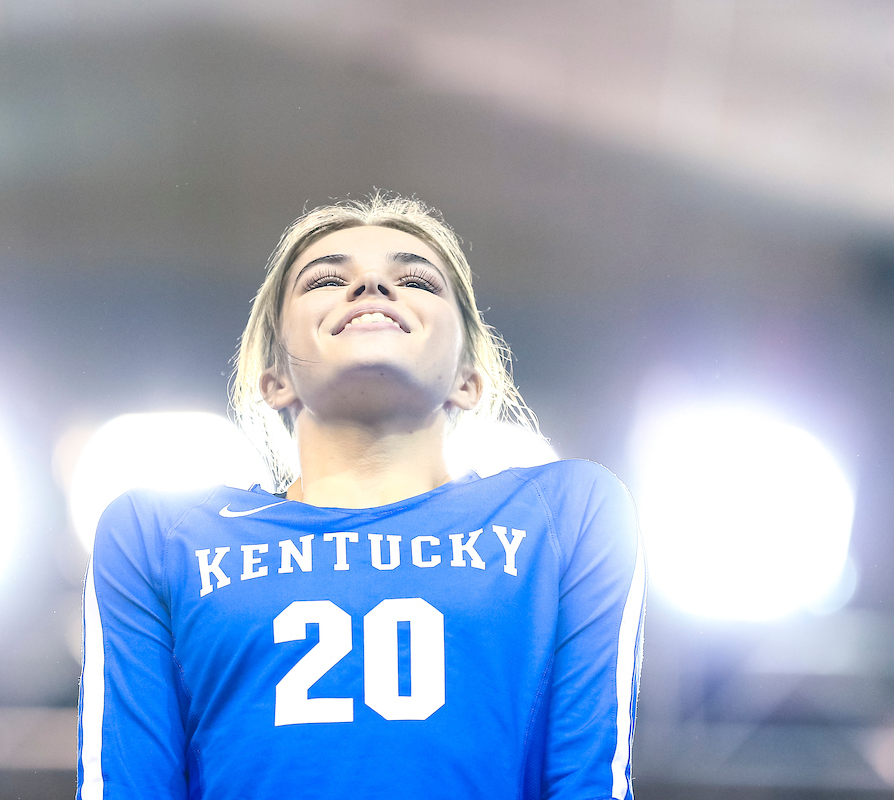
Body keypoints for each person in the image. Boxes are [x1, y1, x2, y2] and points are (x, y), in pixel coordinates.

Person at [77, 193, 645, 800]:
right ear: (273, 378)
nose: (372, 284)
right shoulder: (155, 536)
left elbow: (588, 783)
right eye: (325, 279)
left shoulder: (566, 514)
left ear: (468, 380)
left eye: (416, 280)